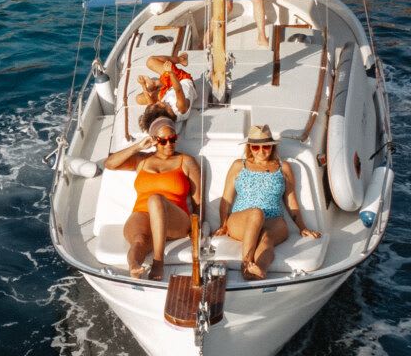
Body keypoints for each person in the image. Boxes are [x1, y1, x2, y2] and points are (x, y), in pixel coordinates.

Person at [103, 115, 201, 281]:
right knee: (139, 241)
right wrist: (137, 147)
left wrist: (196, 226)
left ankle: (158, 261)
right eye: (163, 141)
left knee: (156, 199)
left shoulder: (186, 161)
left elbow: (198, 201)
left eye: (173, 139)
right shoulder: (142, 160)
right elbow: (109, 164)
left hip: (175, 219)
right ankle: (134, 267)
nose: (169, 144)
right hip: (142, 213)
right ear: (154, 140)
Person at [213, 124, 317, 280]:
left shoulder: (283, 168)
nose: (261, 151)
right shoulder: (238, 166)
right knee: (256, 213)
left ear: (272, 147)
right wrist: (223, 224)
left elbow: (291, 200)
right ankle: (246, 264)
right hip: (242, 220)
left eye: (266, 147)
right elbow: (226, 199)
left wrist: (302, 227)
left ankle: (259, 269)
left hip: (274, 221)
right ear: (249, 148)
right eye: (256, 147)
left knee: (267, 236)